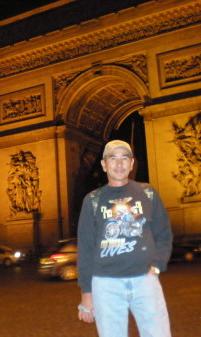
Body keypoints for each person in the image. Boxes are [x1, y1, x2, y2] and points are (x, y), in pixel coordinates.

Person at [77, 140, 173, 337]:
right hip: (105, 284)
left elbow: (163, 233)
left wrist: (156, 266)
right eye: (113, 158)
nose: (119, 164)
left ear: (131, 164)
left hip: (145, 280)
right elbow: (85, 248)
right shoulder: (92, 200)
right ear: (104, 165)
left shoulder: (148, 193)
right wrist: (86, 292)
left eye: (124, 158)